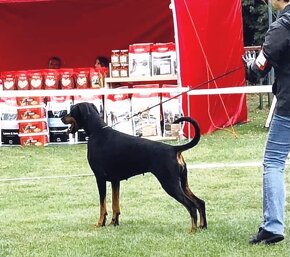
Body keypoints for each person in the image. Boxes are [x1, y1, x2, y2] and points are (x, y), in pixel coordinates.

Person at [243, 0, 290, 245]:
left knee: (273, 162)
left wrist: (247, 66)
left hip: (289, 105)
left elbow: (259, 68)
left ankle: (273, 225)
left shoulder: (282, 25)